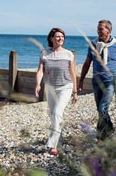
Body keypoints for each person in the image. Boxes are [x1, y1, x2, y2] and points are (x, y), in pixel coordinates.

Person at [78, 20, 116, 145]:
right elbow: (87, 63)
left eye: (101, 29)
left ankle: (102, 136)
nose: (98, 31)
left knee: (102, 108)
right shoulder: (93, 44)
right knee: (100, 110)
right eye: (98, 29)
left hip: (111, 81)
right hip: (96, 81)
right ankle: (106, 131)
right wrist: (81, 80)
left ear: (108, 30)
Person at [35, 27, 78, 155]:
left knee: (57, 112)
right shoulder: (44, 53)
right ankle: (59, 135)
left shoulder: (68, 54)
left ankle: (52, 145)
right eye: (58, 36)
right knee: (53, 115)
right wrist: (38, 84)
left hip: (65, 86)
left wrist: (75, 91)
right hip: (50, 87)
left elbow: (72, 73)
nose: (60, 39)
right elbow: (40, 70)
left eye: (62, 37)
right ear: (51, 39)